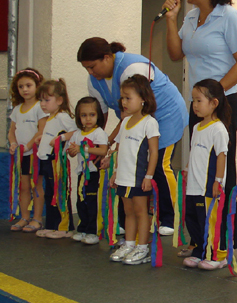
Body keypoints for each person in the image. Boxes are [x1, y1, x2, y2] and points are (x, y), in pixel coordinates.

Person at [161, 0, 237, 243]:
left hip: (224, 101)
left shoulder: (230, 17)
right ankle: (200, 238)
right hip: (200, 103)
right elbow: (176, 54)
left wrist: (215, 96)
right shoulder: (191, 18)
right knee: (199, 165)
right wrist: (171, 19)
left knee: (219, 166)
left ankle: (223, 240)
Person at [77, 37, 187, 234]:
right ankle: (129, 219)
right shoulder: (94, 80)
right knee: (131, 165)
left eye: (92, 67)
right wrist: (103, 144)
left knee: (160, 164)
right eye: (86, 69)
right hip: (133, 121)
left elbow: (129, 115)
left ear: (107, 58)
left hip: (165, 115)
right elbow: (101, 117)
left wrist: (108, 146)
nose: (91, 72)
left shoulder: (132, 67)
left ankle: (170, 219)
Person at [108, 75, 160, 265]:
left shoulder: (149, 123)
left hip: (138, 177)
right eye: (123, 98)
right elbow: (120, 149)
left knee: (141, 212)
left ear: (143, 99)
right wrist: (115, 172)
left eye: (128, 98)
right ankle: (129, 244)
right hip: (123, 176)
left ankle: (143, 248)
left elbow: (153, 152)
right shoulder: (125, 122)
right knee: (128, 211)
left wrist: (149, 176)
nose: (124, 102)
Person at [182, 79, 231, 270]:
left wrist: (217, 181)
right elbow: (195, 152)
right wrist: (187, 168)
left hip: (208, 186)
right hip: (193, 185)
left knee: (209, 220)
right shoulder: (196, 127)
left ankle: (218, 255)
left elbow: (221, 156)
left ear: (214, 103)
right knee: (192, 219)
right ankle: (199, 252)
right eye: (193, 101)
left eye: (199, 100)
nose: (195, 105)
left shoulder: (218, 129)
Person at [35, 80, 77, 239]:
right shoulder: (50, 118)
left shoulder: (62, 116)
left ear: (59, 100)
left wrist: (62, 137)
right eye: (41, 100)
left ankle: (65, 226)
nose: (43, 104)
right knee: (50, 194)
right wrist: (42, 138)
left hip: (56, 162)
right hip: (47, 161)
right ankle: (52, 225)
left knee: (59, 193)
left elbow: (75, 131)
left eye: (47, 100)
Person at [64, 97, 109, 245]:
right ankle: (83, 228)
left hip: (94, 173)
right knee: (81, 201)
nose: (88, 119)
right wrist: (72, 151)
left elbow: (103, 150)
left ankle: (93, 231)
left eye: (92, 115)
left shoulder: (98, 132)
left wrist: (83, 149)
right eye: (83, 115)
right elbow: (73, 151)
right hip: (82, 173)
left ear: (98, 116)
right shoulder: (77, 133)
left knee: (92, 201)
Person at [8, 68, 47, 232]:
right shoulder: (17, 109)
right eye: (21, 86)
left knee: (36, 187)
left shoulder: (40, 107)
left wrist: (30, 145)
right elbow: (12, 131)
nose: (25, 89)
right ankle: (24, 217)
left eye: (28, 85)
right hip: (21, 155)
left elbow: (41, 130)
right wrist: (13, 143)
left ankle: (37, 219)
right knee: (23, 187)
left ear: (38, 86)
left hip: (35, 155)